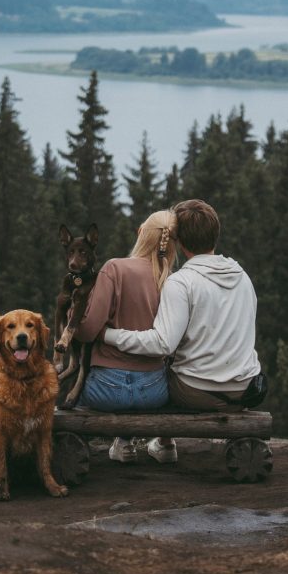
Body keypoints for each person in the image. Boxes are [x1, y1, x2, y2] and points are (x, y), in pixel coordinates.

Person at [104, 198, 261, 464]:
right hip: (244, 388)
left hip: (196, 390)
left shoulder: (181, 283)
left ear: (178, 241)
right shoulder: (242, 277)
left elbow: (161, 344)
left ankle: (129, 440)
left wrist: (110, 335)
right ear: (215, 233)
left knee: (151, 376)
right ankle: (164, 444)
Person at [73, 208, 177, 462]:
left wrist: (75, 317)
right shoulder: (171, 280)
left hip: (106, 390)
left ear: (141, 233)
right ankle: (147, 442)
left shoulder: (114, 269)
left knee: (74, 390)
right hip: (153, 392)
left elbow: (86, 331)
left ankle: (122, 442)